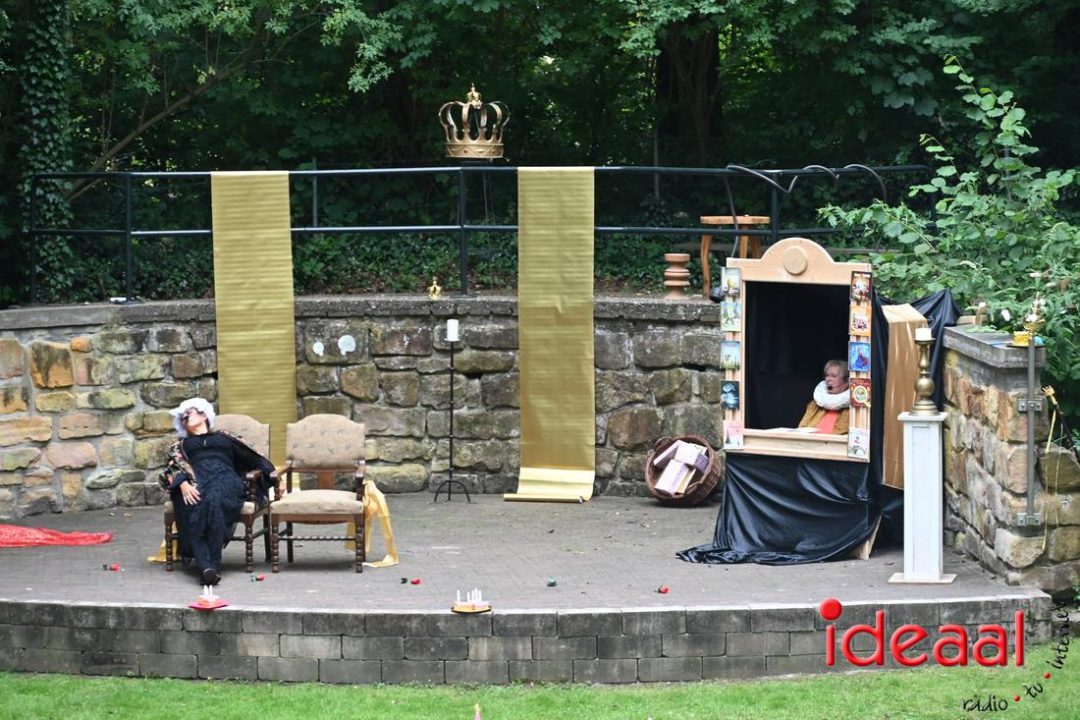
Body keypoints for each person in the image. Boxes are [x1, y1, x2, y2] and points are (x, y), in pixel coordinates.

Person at [159, 398, 276, 585]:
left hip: (225, 480)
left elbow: (253, 458)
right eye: (182, 417)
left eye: (189, 413)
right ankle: (208, 568)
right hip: (195, 483)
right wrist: (183, 484)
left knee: (213, 501)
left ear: (204, 415)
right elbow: (170, 472)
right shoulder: (179, 446)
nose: (185, 417)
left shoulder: (225, 437)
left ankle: (210, 566)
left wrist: (275, 476)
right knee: (196, 505)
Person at [797, 359, 850, 434]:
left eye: (834, 376)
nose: (828, 379)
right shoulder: (814, 405)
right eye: (827, 375)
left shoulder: (855, 409)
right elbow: (802, 428)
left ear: (847, 381)